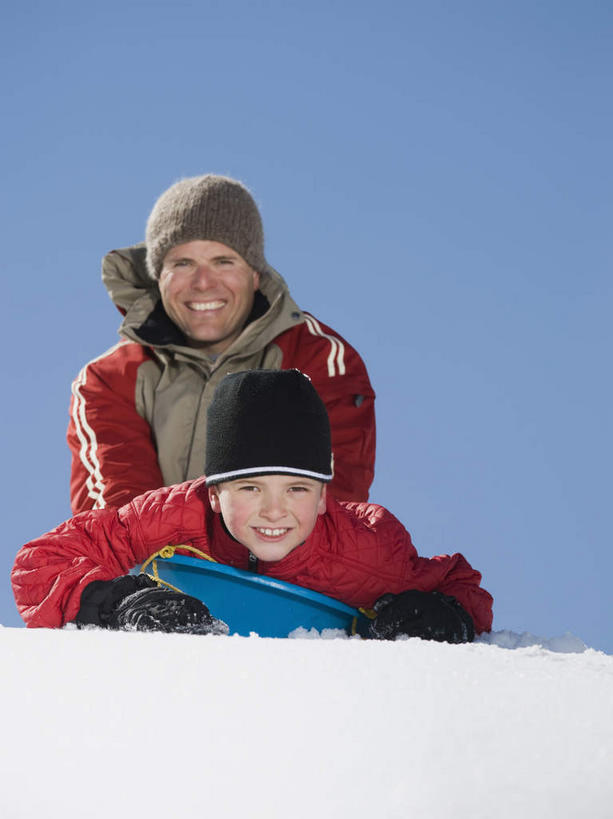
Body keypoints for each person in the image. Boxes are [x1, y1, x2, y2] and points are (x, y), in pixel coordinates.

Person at [14, 370, 493, 641]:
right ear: (214, 491)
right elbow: (39, 562)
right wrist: (118, 600)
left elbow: (459, 583)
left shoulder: (368, 548)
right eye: (249, 488)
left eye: (297, 489)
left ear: (325, 496)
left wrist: (444, 613)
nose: (273, 510)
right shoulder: (171, 520)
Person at [68, 174, 375, 514]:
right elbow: (116, 507)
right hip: (156, 561)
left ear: (255, 275)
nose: (203, 283)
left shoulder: (316, 358)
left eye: (223, 262)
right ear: (159, 276)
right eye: (183, 263)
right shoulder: (112, 378)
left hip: (281, 562)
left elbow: (333, 499)